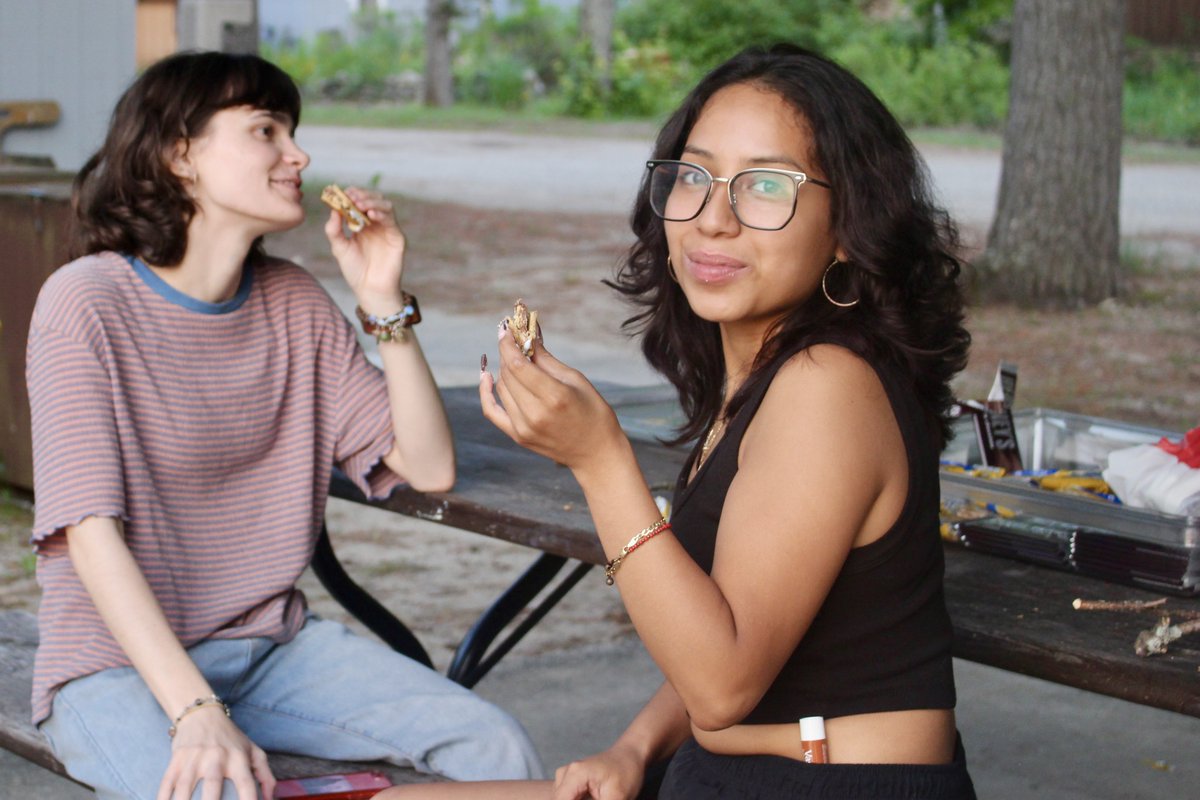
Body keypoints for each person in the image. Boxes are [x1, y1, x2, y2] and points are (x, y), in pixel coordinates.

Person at [381, 43, 976, 800]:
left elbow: (724, 683)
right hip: (727, 770)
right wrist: (633, 748)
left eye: (766, 185)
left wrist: (600, 462)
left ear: (847, 224)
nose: (713, 219)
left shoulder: (828, 387)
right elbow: (744, 620)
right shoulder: (768, 373)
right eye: (693, 177)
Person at [25, 51, 542, 800]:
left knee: (493, 743)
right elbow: (90, 535)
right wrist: (196, 710)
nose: (297, 154)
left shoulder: (293, 302)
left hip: (267, 650)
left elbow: (428, 467)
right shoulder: (86, 301)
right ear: (180, 155)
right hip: (115, 665)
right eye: (266, 130)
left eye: (292, 131)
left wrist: (383, 298)